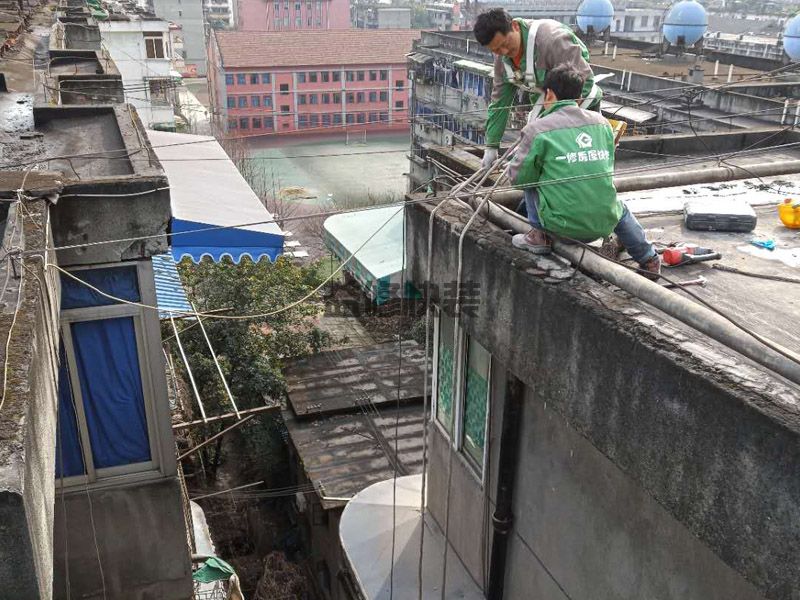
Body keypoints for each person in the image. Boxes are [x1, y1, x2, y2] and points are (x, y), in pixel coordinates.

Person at [507, 65, 661, 279]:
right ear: (579, 97)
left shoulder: (537, 130)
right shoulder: (603, 124)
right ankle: (648, 258)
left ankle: (540, 236)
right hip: (604, 223)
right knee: (618, 207)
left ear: (549, 93)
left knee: (531, 180)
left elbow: (518, 179)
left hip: (560, 228)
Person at [474, 8, 603, 170]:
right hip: (545, 106)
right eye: (496, 50)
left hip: (581, 105)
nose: (504, 52)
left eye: (505, 44)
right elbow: (500, 102)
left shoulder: (552, 40)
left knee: (570, 165)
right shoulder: (503, 59)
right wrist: (491, 146)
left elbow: (585, 82)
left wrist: (548, 125)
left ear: (514, 26)